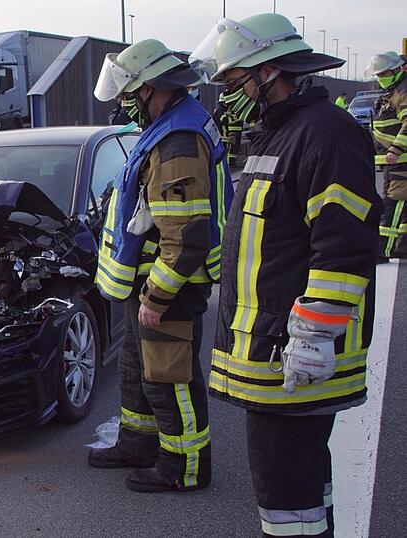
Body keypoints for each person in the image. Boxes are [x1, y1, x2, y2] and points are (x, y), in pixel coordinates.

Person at [190, 13, 379, 537]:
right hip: (274, 349)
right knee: (302, 487)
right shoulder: (281, 133)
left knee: (286, 496)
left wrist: (315, 334)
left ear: (270, 71)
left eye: (234, 80)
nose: (229, 92)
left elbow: (344, 246)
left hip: (294, 355)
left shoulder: (325, 135)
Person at [89, 39, 233, 493]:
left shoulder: (178, 142)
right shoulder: (168, 127)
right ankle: (138, 444)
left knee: (171, 378)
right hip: (150, 282)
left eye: (129, 93)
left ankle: (184, 466)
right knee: (138, 372)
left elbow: (186, 235)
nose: (124, 103)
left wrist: (157, 297)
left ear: (151, 88)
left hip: (169, 286)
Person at [366, 51, 407, 260]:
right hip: (394, 161)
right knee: (401, 204)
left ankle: (383, 250)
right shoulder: (394, 90)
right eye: (378, 75)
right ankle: (402, 246)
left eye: (383, 74)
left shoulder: (403, 92)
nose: (380, 78)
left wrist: (395, 149)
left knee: (394, 202)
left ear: (397, 70)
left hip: (400, 161)